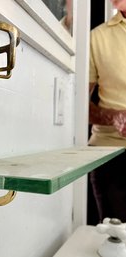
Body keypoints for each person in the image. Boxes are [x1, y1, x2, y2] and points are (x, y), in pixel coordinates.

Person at [89, 0, 126, 223]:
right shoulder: (97, 37)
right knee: (116, 239)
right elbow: (75, 105)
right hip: (110, 155)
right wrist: (113, 117)